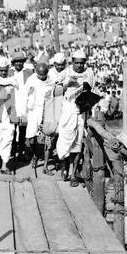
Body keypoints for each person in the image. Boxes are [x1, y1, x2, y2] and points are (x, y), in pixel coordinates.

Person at [56, 50, 95, 187]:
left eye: (82, 63)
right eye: (76, 63)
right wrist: (68, 84)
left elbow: (92, 93)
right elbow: (55, 92)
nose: (79, 65)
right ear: (72, 62)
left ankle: (73, 174)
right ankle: (65, 166)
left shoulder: (89, 73)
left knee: (77, 145)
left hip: (80, 111)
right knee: (65, 143)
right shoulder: (64, 73)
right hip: (67, 110)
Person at [20, 61, 53, 173]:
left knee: (47, 136)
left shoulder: (51, 80)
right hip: (34, 110)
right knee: (31, 137)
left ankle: (45, 165)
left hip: (47, 110)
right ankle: (35, 154)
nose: (41, 77)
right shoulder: (32, 79)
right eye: (39, 74)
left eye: (43, 75)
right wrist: (29, 94)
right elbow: (23, 94)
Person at [9, 51, 34, 162]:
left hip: (24, 105)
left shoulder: (28, 73)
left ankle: (21, 152)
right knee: (12, 130)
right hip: (12, 104)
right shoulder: (9, 72)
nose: (19, 64)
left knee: (23, 130)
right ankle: (12, 151)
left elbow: (33, 88)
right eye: (16, 62)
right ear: (13, 63)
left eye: (21, 61)